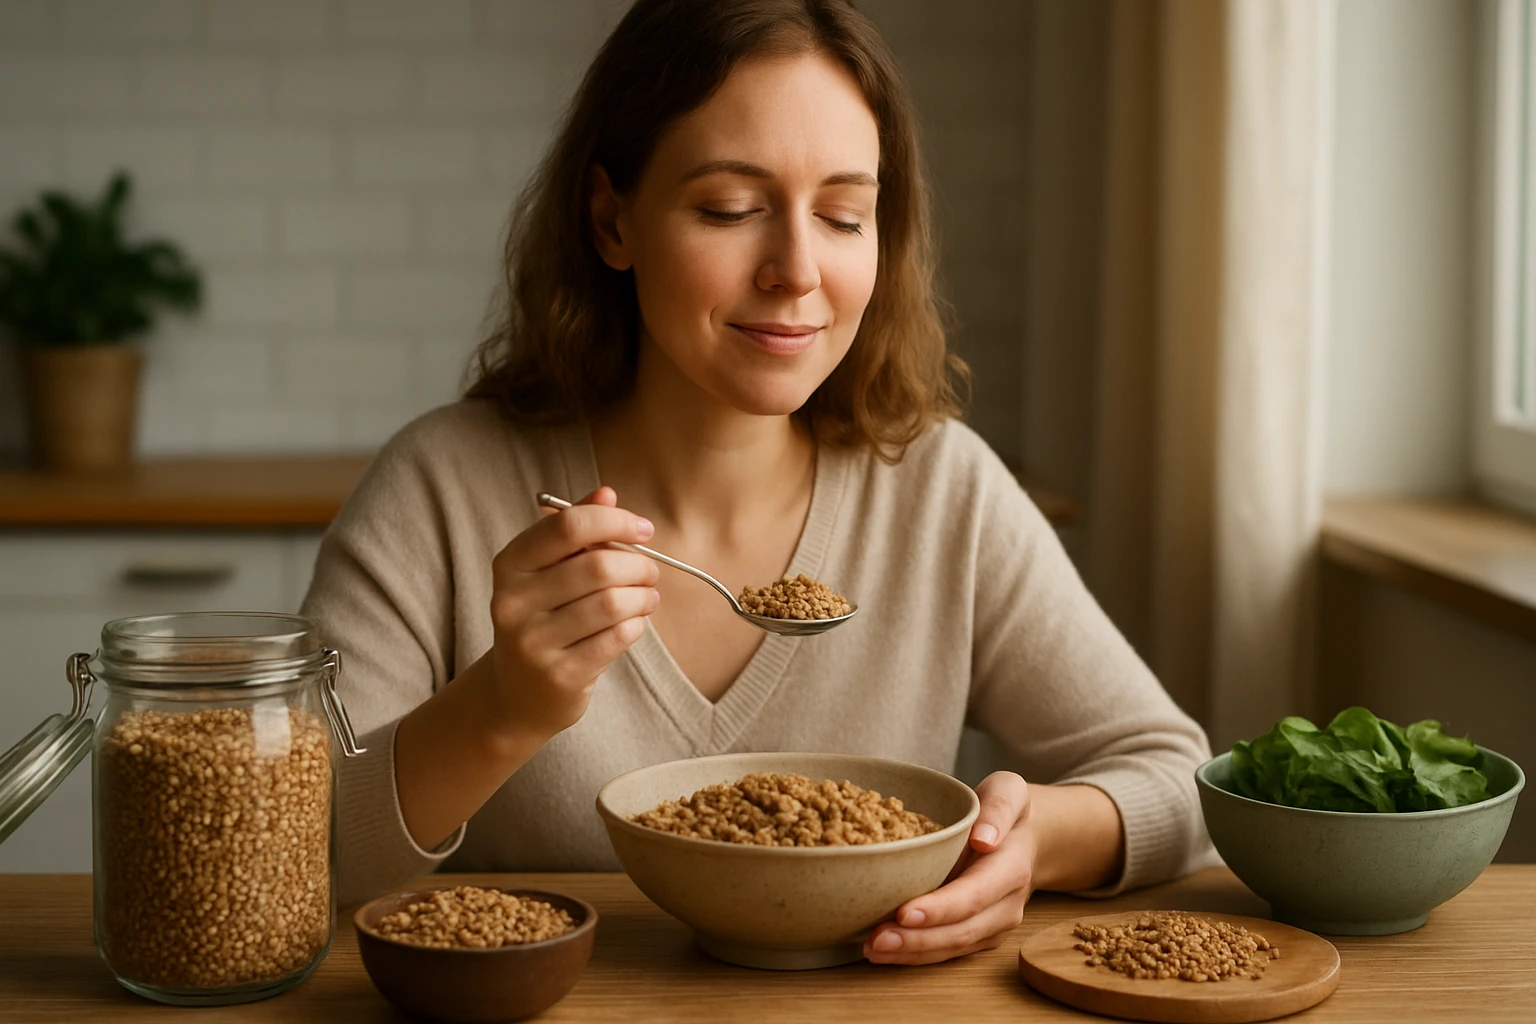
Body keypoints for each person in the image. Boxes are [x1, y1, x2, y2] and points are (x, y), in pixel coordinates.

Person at [302, 0, 1216, 966]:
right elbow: (300, 840)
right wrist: (503, 707)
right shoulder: (440, 490)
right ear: (613, 219)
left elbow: (1176, 777)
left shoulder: (942, 493)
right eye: (730, 209)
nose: (795, 269)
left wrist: (1027, 839)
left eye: (844, 215)